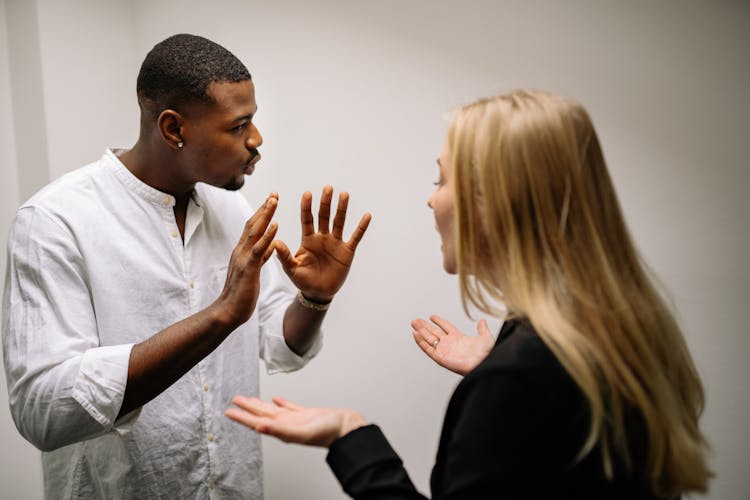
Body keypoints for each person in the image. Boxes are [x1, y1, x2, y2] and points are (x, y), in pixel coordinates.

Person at [225, 90, 713, 499]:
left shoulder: (520, 379)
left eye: (441, 179)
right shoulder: (618, 330)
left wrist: (350, 434)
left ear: (494, 202)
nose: (432, 199)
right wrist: (505, 363)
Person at [2, 34, 370, 499]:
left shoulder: (233, 211)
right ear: (174, 129)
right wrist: (218, 316)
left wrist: (314, 299)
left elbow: (279, 344)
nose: (256, 141)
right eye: (239, 126)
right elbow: (43, 410)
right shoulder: (56, 222)